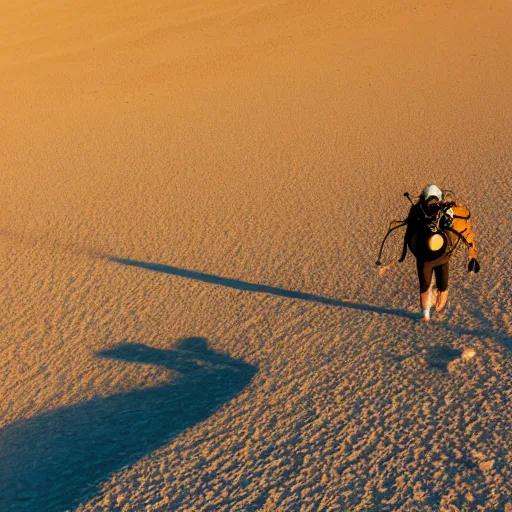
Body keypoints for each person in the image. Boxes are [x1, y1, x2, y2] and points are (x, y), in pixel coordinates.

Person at [399, 184, 480, 321]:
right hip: (433, 258)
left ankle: (427, 312)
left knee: (435, 285)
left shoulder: (439, 211)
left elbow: (465, 232)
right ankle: (426, 313)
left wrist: (472, 256)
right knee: (429, 285)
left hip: (435, 257)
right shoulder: (419, 212)